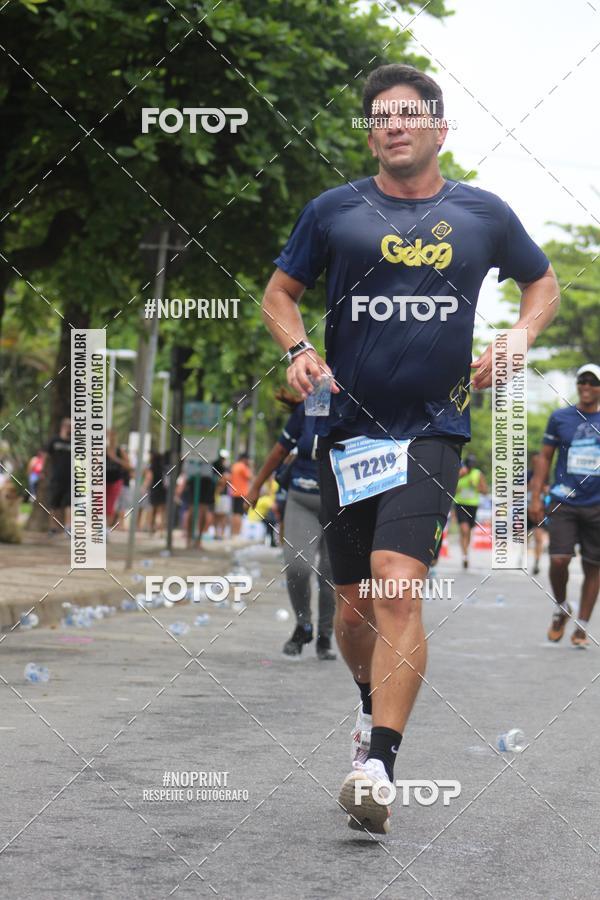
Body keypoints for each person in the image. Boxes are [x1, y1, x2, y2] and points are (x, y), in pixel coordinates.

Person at [262, 63, 558, 832]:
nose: (393, 125)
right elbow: (279, 293)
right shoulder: (333, 211)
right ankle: (368, 711)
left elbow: (543, 284)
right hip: (346, 433)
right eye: (380, 117)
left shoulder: (482, 214)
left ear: (438, 127)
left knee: (398, 586)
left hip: (433, 425)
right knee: (354, 609)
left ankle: (379, 766)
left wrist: (519, 339)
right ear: (371, 132)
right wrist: (295, 350)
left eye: (408, 114)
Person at [248, 390, 336, 660]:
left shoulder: (359, 407)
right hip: (301, 497)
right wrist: (255, 487)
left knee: (329, 575)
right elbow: (279, 451)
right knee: (297, 565)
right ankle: (303, 625)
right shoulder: (310, 408)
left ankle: (325, 635)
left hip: (340, 504)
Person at [530, 364, 600, 647]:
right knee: (559, 559)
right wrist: (536, 496)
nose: (585, 386)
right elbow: (544, 458)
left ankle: (582, 624)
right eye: (582, 380)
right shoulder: (561, 418)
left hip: (597, 504)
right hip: (564, 499)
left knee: (593, 566)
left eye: (592, 382)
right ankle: (561, 607)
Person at [453, 455, 488, 569]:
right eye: (468, 466)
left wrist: (476, 486)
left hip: (472, 505)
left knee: (468, 531)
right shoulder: (460, 472)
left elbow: (484, 491)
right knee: (464, 529)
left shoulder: (478, 474)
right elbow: (451, 486)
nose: (469, 469)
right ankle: (464, 555)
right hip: (460, 504)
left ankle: (466, 552)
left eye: (471, 466)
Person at [44, 417, 72, 535]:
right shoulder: (54, 440)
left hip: (70, 478)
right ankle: (52, 528)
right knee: (54, 504)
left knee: (69, 504)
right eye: (68, 426)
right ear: (63, 426)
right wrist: (43, 471)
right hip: (56, 477)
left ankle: (68, 527)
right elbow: (45, 456)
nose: (70, 428)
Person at [526, 452, 547, 575]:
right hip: (526, 508)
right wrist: (531, 486)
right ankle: (521, 557)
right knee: (526, 536)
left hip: (540, 510)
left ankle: (537, 563)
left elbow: (549, 490)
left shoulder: (546, 474)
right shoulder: (526, 475)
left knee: (539, 537)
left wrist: (544, 488)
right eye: (534, 461)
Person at [106, 429, 130, 528]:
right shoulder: (102, 449)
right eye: (109, 435)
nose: (111, 438)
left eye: (113, 436)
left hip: (116, 480)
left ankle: (106, 528)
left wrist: (115, 458)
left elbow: (128, 465)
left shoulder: (120, 450)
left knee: (110, 505)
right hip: (102, 480)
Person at [229, 452, 252, 536]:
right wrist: (250, 467)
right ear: (244, 459)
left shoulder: (234, 466)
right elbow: (250, 477)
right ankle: (237, 533)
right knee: (239, 514)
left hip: (234, 492)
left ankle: (233, 532)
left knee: (235, 513)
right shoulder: (243, 467)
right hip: (241, 493)